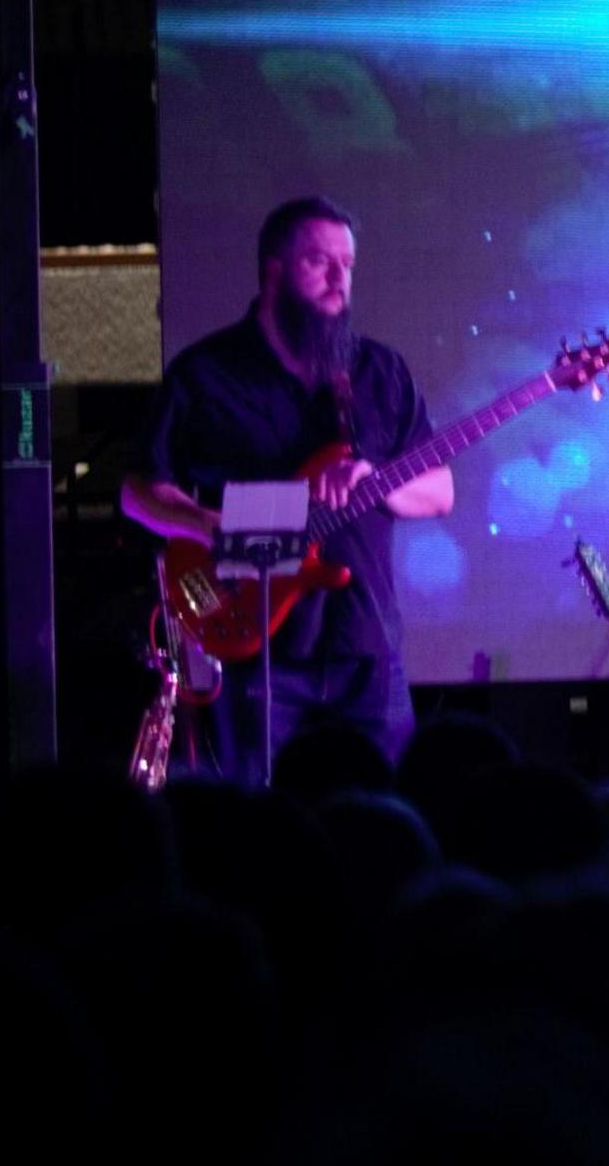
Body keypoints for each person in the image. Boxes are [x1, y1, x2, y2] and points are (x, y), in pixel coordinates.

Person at [120, 196, 453, 769]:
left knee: (387, 819)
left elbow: (441, 490)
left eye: (347, 265)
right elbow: (139, 493)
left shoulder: (379, 371)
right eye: (320, 262)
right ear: (273, 269)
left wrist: (376, 480)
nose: (339, 278)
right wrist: (208, 525)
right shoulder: (205, 374)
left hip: (366, 648)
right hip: (258, 647)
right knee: (262, 831)